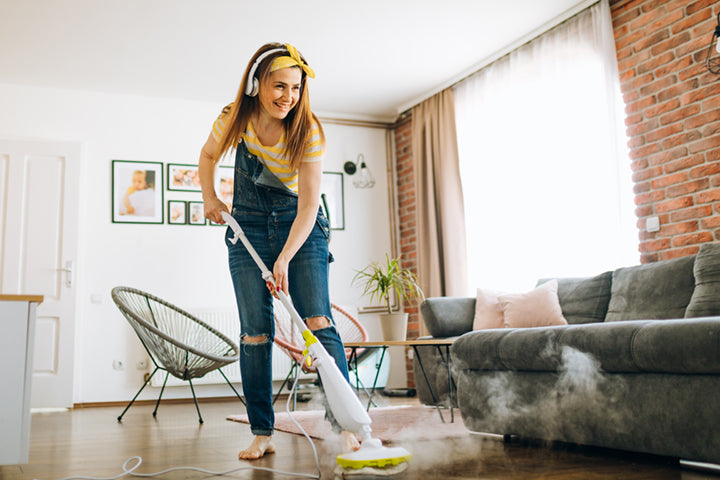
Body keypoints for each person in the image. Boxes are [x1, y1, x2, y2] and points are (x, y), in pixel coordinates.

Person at [198, 42, 359, 461]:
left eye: (296, 88)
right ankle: (262, 432)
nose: (288, 97)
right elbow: (208, 154)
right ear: (257, 84)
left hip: (298, 227)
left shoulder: (309, 132)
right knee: (255, 333)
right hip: (246, 226)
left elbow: (308, 206)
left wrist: (285, 257)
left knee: (318, 323)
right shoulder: (235, 117)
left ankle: (346, 427)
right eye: (279, 86)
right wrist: (210, 197)